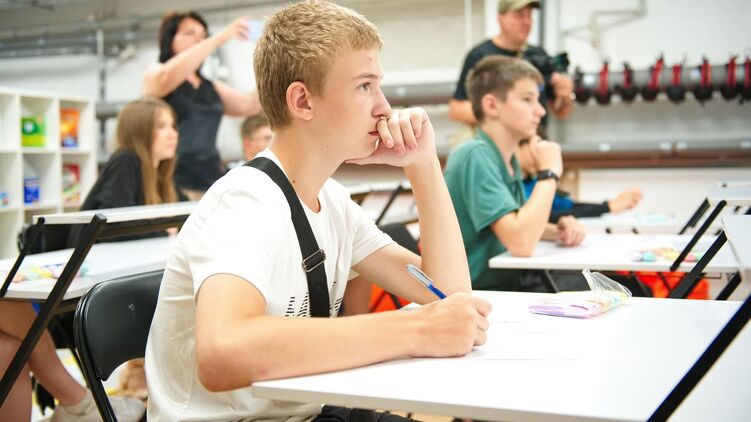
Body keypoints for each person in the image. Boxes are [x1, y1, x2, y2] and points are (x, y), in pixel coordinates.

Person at [145, 2, 490, 421]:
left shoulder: (333, 201)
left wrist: (423, 164)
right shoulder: (246, 202)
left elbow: (448, 294)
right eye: (364, 86)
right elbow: (222, 353)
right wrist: (417, 330)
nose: (384, 108)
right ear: (303, 101)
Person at [0, 97, 178, 422]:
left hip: (100, 280)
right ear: (140, 131)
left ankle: (81, 404)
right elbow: (116, 228)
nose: (172, 134)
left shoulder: (158, 177)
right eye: (161, 126)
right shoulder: (127, 161)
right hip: (84, 293)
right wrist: (163, 232)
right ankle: (81, 404)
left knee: (8, 350)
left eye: (173, 126)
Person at [444, 55, 586, 291]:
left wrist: (557, 232)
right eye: (528, 100)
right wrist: (549, 173)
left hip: (509, 284)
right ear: (492, 106)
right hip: (482, 294)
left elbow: (511, 226)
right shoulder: (475, 155)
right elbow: (521, 243)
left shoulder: (505, 158)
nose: (541, 111)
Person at [142, 10, 263, 200]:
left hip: (211, 180)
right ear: (170, 39)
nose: (199, 40)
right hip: (173, 181)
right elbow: (164, 77)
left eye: (203, 35)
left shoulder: (209, 86)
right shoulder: (157, 73)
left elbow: (249, 105)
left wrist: (271, 62)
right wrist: (220, 37)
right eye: (190, 33)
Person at [448, 0, 573, 127]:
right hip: (497, 139)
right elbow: (457, 110)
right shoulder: (480, 55)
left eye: (529, 15)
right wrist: (503, 113)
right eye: (519, 15)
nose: (526, 22)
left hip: (535, 137)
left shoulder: (539, 55)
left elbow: (560, 111)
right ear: (500, 17)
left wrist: (565, 95)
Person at [516, 138, 643, 221]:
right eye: (537, 145)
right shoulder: (514, 185)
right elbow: (541, 218)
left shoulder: (534, 183)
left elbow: (568, 207)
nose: (540, 154)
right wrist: (610, 207)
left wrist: (608, 206)